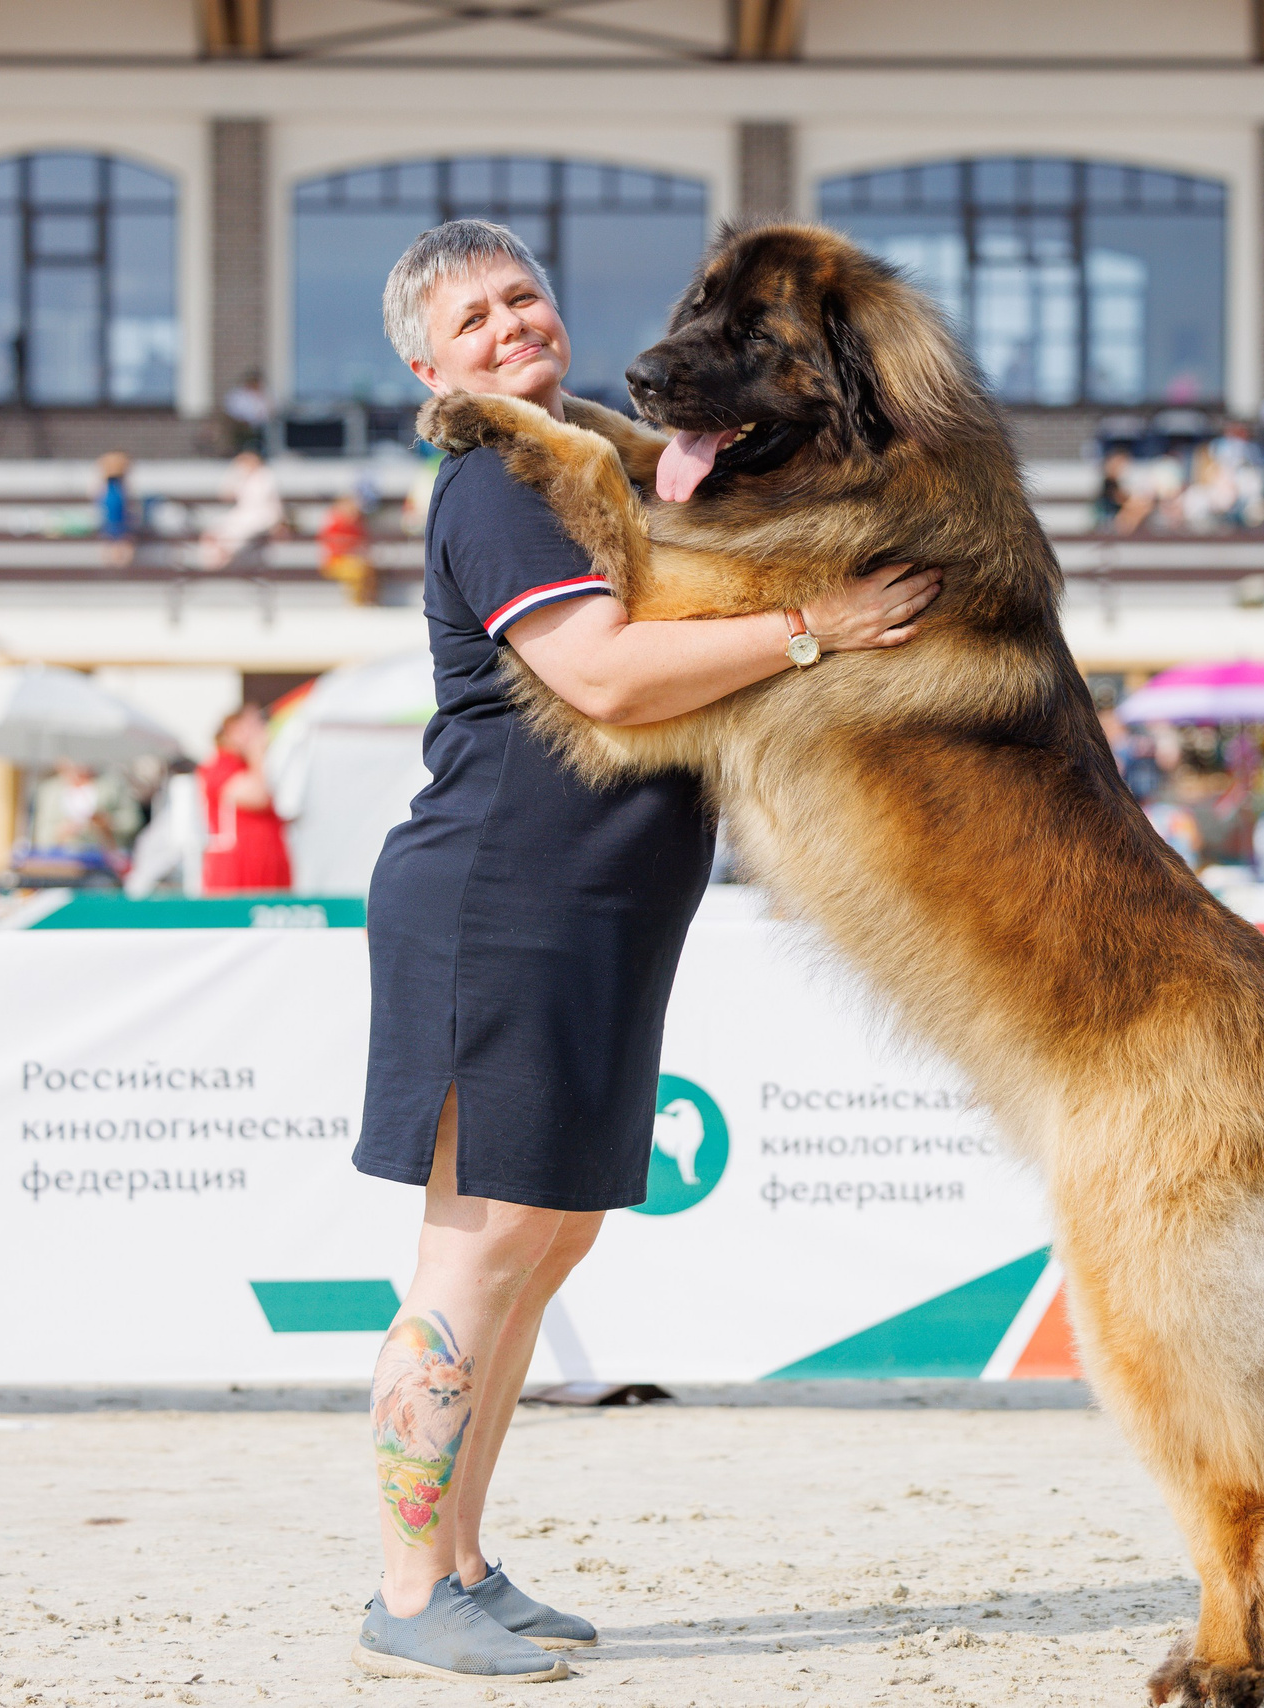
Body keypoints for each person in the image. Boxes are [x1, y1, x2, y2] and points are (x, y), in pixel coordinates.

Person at [351, 220, 940, 1684]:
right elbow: (603, 673)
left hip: (593, 916)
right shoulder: (498, 482)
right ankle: (409, 1593)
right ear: (431, 367)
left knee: (544, 1251)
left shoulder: (592, 472)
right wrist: (815, 630)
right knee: (472, 1270)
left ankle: (465, 1563)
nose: (509, 323)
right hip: (501, 906)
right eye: (472, 316)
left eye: (523, 295)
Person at [197, 703, 291, 893]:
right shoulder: (221, 765)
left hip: (267, 873)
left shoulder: (249, 767)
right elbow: (258, 796)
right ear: (234, 730)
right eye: (254, 725)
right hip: (237, 876)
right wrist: (257, 753)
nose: (262, 731)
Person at [201, 451, 285, 571]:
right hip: (242, 514)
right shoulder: (242, 476)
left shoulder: (266, 475)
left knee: (236, 536)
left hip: (261, 517)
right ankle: (214, 563)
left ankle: (224, 560)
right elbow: (225, 494)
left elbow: (274, 502)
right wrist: (235, 471)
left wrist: (278, 523)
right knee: (212, 532)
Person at [319, 491, 375, 604]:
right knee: (356, 570)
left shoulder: (357, 525)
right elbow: (332, 548)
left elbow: (364, 544)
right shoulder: (335, 525)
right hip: (336, 561)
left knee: (368, 569)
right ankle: (356, 603)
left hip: (355, 560)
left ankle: (369, 601)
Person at [96, 451, 136, 568]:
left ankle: (116, 563)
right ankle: (117, 564)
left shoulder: (111, 487)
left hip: (114, 519)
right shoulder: (117, 488)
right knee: (119, 543)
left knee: (115, 543)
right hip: (116, 520)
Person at [222, 369, 273, 454]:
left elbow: (268, 411)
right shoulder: (238, 395)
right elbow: (233, 411)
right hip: (242, 426)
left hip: (261, 427)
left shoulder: (264, 395)